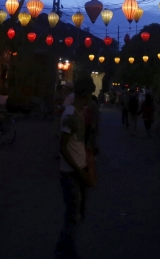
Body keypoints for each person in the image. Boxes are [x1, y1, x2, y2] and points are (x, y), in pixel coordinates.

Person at [56, 77, 96, 259]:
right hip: (71, 172)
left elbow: (76, 144)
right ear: (85, 94)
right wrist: (80, 171)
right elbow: (63, 147)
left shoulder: (80, 113)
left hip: (81, 168)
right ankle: (65, 251)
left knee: (79, 212)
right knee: (73, 214)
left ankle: (65, 247)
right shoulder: (70, 114)